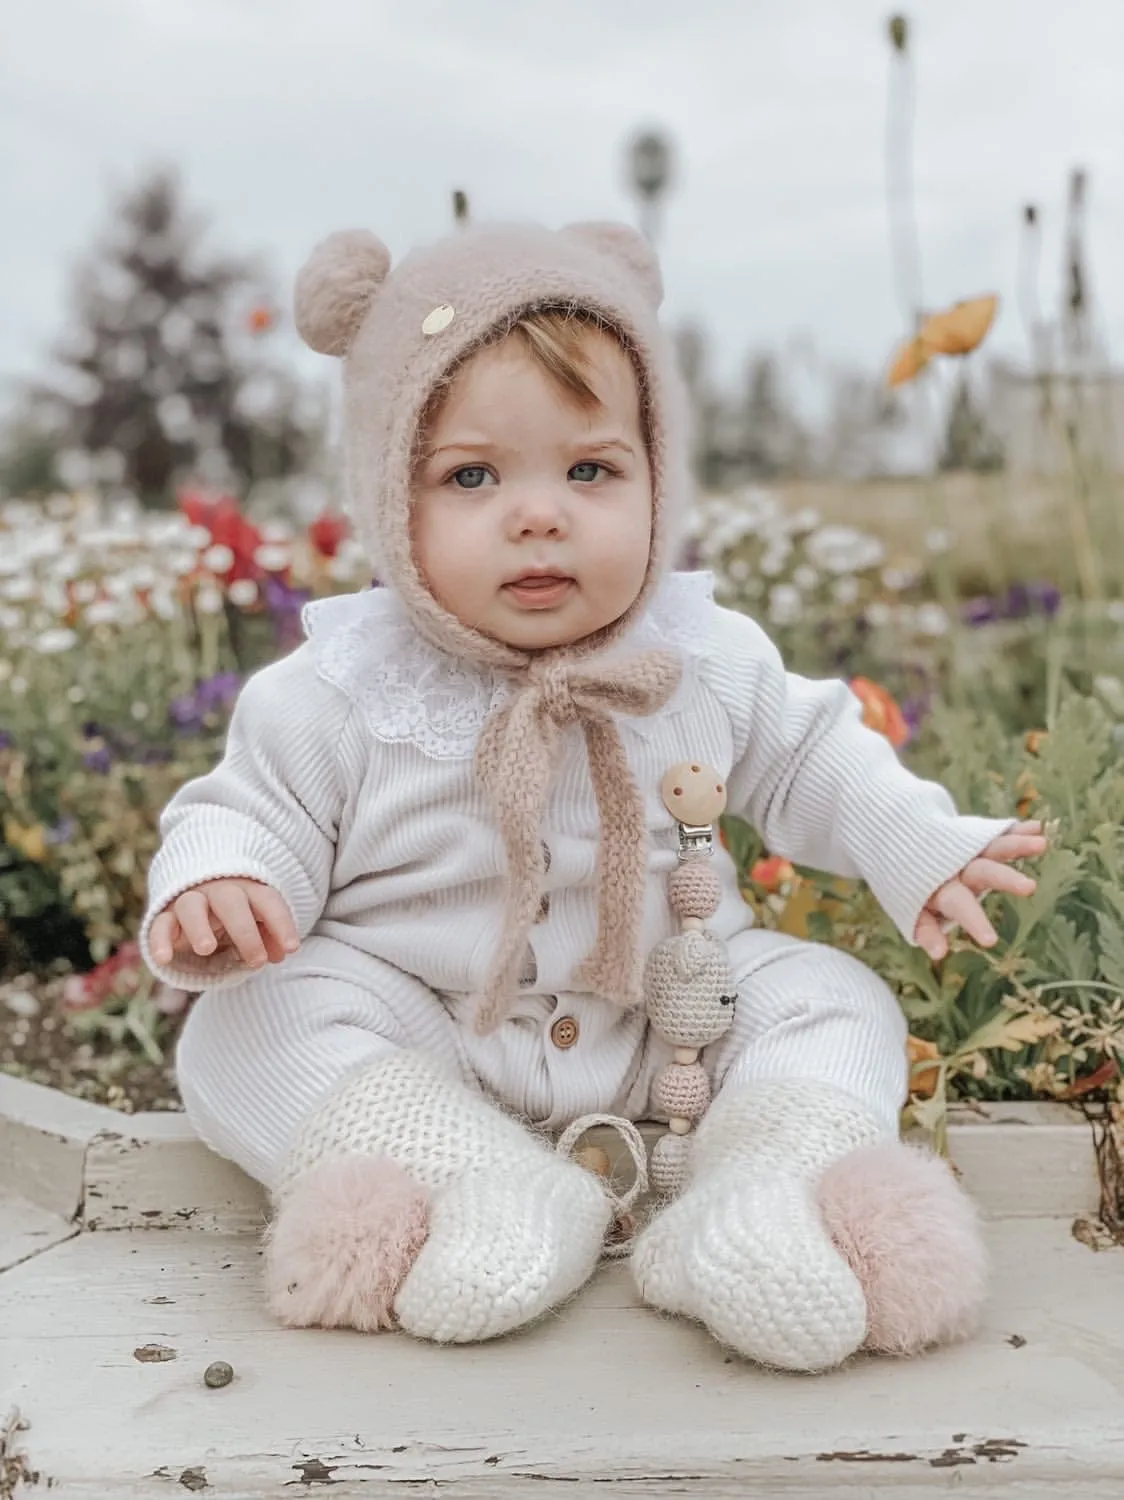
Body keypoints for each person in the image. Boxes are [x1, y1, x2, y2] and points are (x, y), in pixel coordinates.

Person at [141, 219, 1044, 1371]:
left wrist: (920, 843)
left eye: (590, 470)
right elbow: (246, 804)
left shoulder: (695, 655)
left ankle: (760, 1189)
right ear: (386, 501)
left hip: (668, 1031)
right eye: (470, 475)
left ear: (654, 478)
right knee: (247, 1023)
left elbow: (819, 752)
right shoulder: (336, 689)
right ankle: (473, 1179)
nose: (538, 513)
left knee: (826, 994)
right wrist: (222, 876)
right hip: (430, 1036)